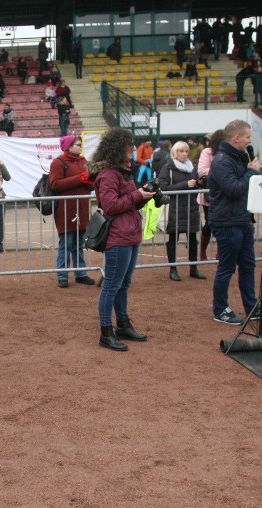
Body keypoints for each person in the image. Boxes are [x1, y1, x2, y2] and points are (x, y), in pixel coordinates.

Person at [87, 128, 155, 351]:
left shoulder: (123, 171)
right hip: (118, 235)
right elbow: (111, 205)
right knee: (111, 286)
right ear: (119, 148)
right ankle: (106, 333)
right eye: (130, 145)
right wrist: (137, 195)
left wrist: (143, 196)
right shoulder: (108, 174)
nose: (134, 149)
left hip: (130, 233)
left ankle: (123, 325)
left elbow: (127, 202)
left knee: (123, 284)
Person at [208, 119, 262, 324]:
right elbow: (234, 189)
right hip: (226, 222)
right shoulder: (221, 161)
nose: (249, 141)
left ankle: (252, 306)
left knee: (248, 266)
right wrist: (251, 172)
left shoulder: (238, 158)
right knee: (226, 267)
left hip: (243, 219)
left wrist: (248, 171)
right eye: (247, 137)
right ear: (236, 138)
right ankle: (220, 309)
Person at [50, 135, 95, 288]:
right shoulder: (58, 162)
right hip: (65, 210)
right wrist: (79, 179)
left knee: (79, 243)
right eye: (77, 144)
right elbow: (55, 184)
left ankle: (80, 273)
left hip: (81, 208)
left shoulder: (83, 161)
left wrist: (90, 181)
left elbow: (91, 184)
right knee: (66, 243)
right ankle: (62, 275)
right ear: (68, 146)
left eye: (80, 144)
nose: (79, 146)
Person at [158, 141, 204, 281]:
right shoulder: (168, 167)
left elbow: (195, 187)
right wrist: (185, 184)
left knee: (192, 239)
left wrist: (200, 183)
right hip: (174, 208)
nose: (184, 154)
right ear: (175, 152)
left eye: (186, 151)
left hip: (191, 207)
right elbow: (163, 187)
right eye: (181, 151)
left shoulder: (192, 168)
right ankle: (173, 269)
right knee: (173, 239)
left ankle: (193, 268)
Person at [197, 130, 225, 261]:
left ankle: (220, 252)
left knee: (223, 224)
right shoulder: (207, 152)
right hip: (210, 193)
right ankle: (202, 251)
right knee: (209, 223)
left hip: (225, 192)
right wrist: (221, 170)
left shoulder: (228, 153)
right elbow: (202, 171)